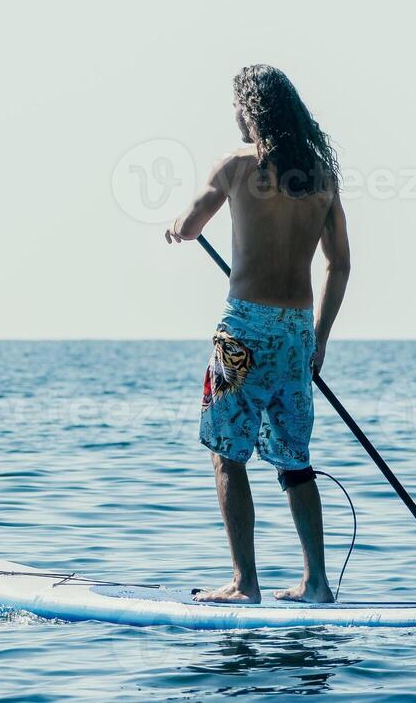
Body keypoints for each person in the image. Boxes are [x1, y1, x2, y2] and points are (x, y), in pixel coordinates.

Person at [165, 65, 350, 604]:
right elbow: (339, 265)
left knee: (227, 454)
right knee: (295, 460)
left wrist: (178, 226)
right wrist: (320, 339)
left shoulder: (236, 167)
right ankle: (316, 583)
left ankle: (246, 584)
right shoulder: (321, 177)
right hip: (296, 335)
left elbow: (192, 222)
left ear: (251, 110)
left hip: (243, 331)